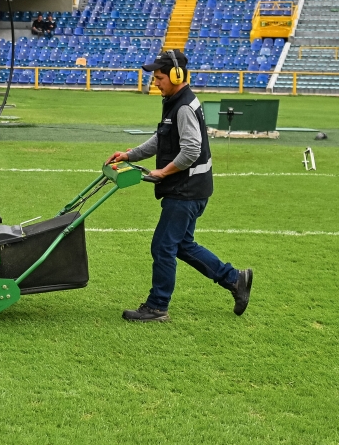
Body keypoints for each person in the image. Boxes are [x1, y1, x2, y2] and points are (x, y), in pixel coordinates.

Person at [107, 49, 253, 322]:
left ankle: (157, 307)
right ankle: (235, 279)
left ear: (177, 75)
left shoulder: (184, 106)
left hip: (186, 190)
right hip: (191, 188)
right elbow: (161, 139)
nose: (156, 82)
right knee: (182, 245)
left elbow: (190, 150)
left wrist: (164, 171)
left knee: (163, 246)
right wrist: (130, 155)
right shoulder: (174, 101)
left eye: (160, 77)